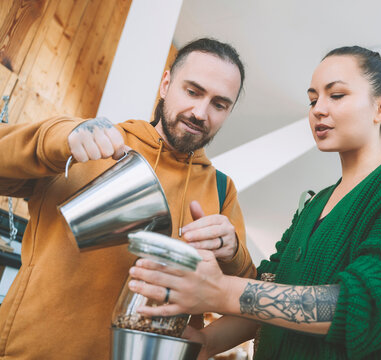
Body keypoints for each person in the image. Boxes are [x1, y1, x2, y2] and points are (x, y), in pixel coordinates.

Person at [128, 45, 381, 359]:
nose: (318, 109)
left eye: (336, 95)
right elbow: (273, 292)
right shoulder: (313, 205)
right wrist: (207, 342)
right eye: (312, 100)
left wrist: (220, 291)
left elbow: (365, 306)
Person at [0, 38, 257, 359]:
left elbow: (247, 295)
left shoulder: (221, 190)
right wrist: (60, 136)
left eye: (219, 104)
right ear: (166, 84)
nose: (200, 112)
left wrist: (232, 252)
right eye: (192, 92)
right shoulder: (91, 144)